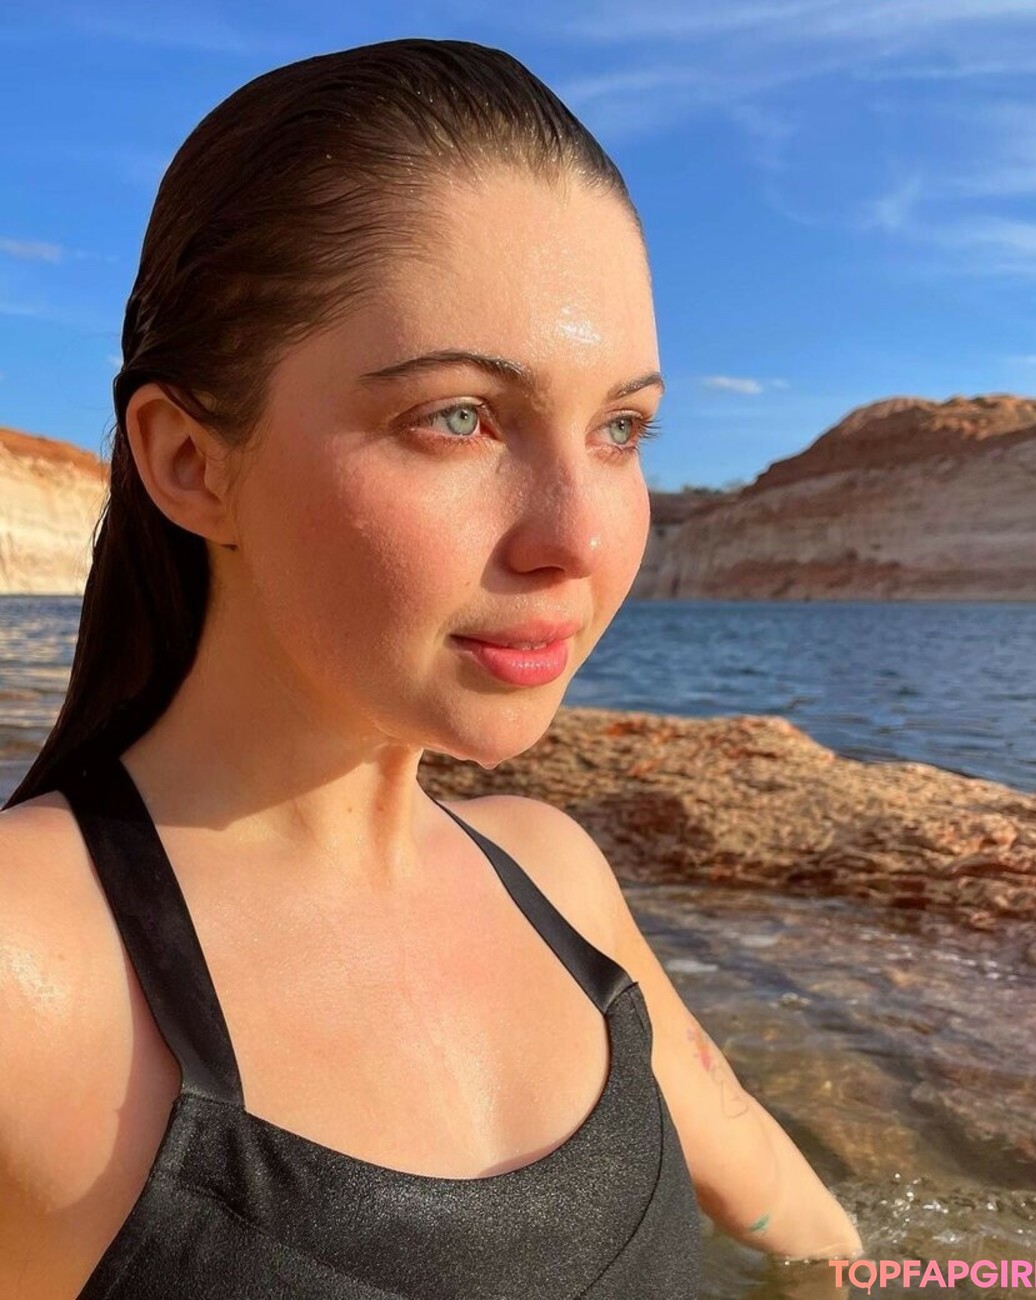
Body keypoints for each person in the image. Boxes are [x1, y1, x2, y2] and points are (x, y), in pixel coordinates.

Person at [0, 38, 863, 1298]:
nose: (578, 537)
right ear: (190, 461)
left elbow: (819, 1237)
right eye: (459, 417)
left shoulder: (556, 879)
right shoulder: (32, 975)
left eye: (621, 428)